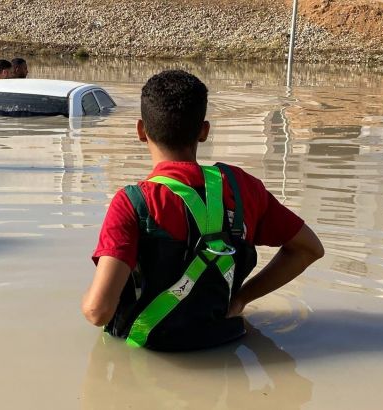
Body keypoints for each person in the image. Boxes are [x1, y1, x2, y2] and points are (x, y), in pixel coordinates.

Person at [82, 70, 324, 351]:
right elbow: (309, 248)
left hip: (149, 353)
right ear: (204, 131)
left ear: (140, 130)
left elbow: (97, 311)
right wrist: (242, 299)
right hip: (224, 343)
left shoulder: (133, 203)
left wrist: (86, 297)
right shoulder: (243, 187)